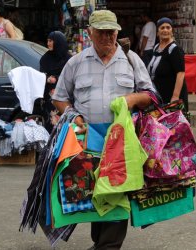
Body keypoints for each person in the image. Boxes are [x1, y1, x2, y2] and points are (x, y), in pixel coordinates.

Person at [52, 10, 156, 250]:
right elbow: (59, 98)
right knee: (94, 197)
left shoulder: (131, 60)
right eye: (102, 32)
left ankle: (107, 246)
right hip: (88, 142)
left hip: (122, 143)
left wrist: (132, 99)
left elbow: (150, 95)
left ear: (117, 32)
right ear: (90, 33)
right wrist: (74, 115)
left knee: (117, 194)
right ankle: (101, 243)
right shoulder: (76, 62)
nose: (108, 37)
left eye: (112, 32)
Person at [147, 17, 188, 111]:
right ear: (157, 32)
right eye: (162, 28)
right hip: (160, 96)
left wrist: (175, 97)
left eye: (168, 27)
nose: (165, 30)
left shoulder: (175, 49)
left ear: (172, 31)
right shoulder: (156, 47)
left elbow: (180, 74)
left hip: (172, 97)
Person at [39, 31, 71, 133]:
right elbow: (41, 75)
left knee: (65, 128)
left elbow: (72, 77)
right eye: (47, 40)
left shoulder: (69, 59)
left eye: (51, 41)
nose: (48, 43)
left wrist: (57, 79)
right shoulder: (45, 59)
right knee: (50, 127)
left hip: (65, 99)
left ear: (58, 42)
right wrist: (47, 78)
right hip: (49, 100)